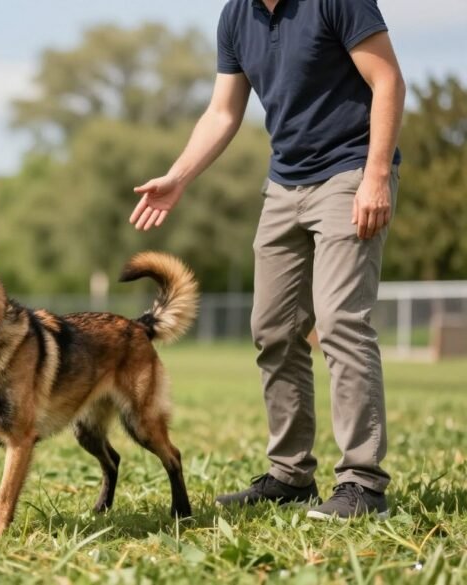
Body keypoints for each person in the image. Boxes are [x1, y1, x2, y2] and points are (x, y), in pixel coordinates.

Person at [131, 0, 404, 520]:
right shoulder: (236, 17)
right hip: (284, 182)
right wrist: (178, 177)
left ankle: (363, 484)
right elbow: (223, 111)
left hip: (350, 172)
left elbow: (387, 81)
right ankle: (291, 475)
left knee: (341, 321)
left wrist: (375, 175)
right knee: (272, 328)